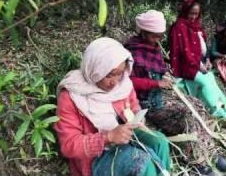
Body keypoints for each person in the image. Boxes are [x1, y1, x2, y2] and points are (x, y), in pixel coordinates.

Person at [125, 10, 226, 175]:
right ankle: (199, 163)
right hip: (146, 104)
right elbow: (128, 81)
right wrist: (156, 82)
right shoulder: (132, 52)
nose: (158, 40)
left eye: (160, 36)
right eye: (154, 36)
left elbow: (156, 68)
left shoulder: (152, 46)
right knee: (189, 114)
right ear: (143, 31)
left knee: (198, 106)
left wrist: (164, 74)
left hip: (159, 95)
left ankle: (211, 155)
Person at [54, 37, 170, 176]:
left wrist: (137, 117)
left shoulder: (123, 84)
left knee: (160, 142)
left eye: (120, 73)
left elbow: (133, 104)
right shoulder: (71, 96)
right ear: (95, 69)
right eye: (109, 75)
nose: (115, 82)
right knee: (142, 162)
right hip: (97, 156)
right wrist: (107, 137)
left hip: (126, 136)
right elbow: (69, 145)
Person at [169, 0, 226, 120]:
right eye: (190, 13)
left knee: (212, 80)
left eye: (196, 14)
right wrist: (198, 65)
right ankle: (218, 112)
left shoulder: (197, 27)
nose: (193, 16)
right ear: (185, 11)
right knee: (206, 82)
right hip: (185, 65)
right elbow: (183, 51)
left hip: (199, 63)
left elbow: (204, 48)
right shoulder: (179, 27)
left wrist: (207, 60)